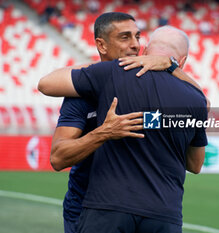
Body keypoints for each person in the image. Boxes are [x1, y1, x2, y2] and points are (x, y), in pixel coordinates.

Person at [38, 25, 207, 233]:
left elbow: (46, 84)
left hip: (106, 208)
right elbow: (195, 164)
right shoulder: (196, 99)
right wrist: (172, 68)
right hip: (164, 214)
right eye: (127, 37)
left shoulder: (113, 74)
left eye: (137, 38)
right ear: (183, 61)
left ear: (145, 51)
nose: (134, 44)